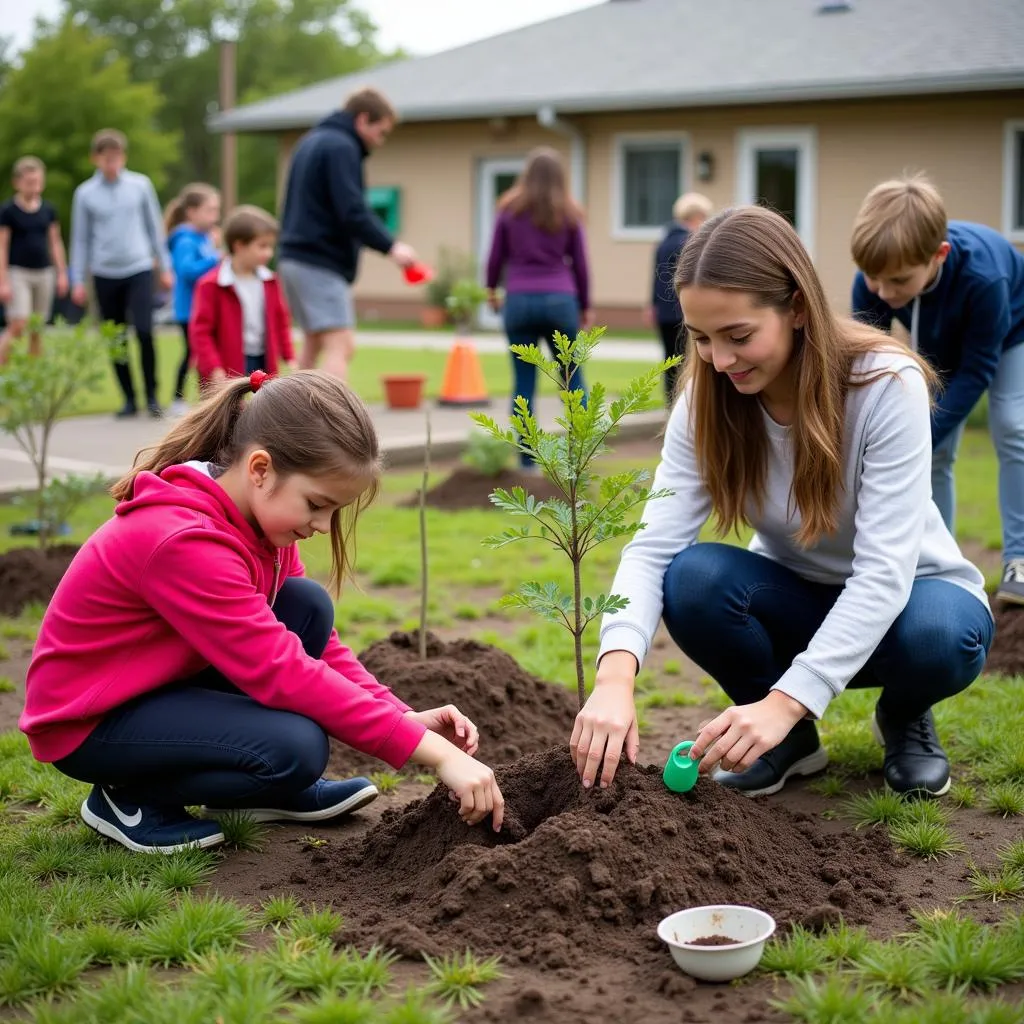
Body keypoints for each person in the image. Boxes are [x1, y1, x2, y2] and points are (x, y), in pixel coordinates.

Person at [570, 205, 993, 801]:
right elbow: (653, 548)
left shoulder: (883, 385)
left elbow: (883, 574)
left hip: (909, 603)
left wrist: (785, 702)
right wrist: (615, 675)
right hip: (795, 599)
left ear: (796, 307)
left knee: (942, 636)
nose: (719, 360)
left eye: (738, 336)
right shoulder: (708, 398)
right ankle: (790, 744)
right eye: (701, 339)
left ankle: (904, 715)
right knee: (692, 578)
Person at [21, 370, 505, 853]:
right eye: (317, 504)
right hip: (92, 720)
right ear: (260, 470)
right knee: (294, 749)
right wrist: (436, 756)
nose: (322, 525)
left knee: (306, 606)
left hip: (155, 687)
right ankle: (127, 796)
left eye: (335, 511)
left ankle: (255, 792)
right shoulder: (183, 541)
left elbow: (317, 647)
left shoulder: (253, 522)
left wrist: (400, 715)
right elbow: (282, 670)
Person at [850, 175, 1024, 606]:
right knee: (937, 454)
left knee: (1012, 425)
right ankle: (933, 562)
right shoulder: (873, 279)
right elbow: (867, 357)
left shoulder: (985, 279)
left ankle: (1019, 559)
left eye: (898, 281)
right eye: (875, 279)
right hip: (936, 334)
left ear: (938, 255)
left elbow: (977, 368)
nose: (885, 294)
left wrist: (921, 432)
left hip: (1012, 328)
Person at [277, 87, 417, 381]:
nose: (380, 141)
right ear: (363, 119)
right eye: (381, 132)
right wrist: (391, 246)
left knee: (314, 342)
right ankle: (329, 424)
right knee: (341, 344)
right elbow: (352, 210)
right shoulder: (342, 147)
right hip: (319, 260)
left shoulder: (310, 141)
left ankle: (292, 417)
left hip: (292, 258)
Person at [485, 147, 590, 467]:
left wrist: (491, 290)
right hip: (561, 301)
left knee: (523, 383)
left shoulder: (508, 210)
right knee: (573, 379)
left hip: (519, 301)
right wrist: (585, 305)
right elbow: (581, 265)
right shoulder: (569, 213)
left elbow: (494, 257)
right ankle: (579, 455)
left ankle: (527, 460)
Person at [69, 128, 173, 419]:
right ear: (96, 159)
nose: (112, 164)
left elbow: (155, 228)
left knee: (143, 330)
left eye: (116, 158)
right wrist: (77, 278)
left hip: (139, 267)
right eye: (106, 159)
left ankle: (152, 395)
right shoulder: (85, 194)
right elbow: (80, 239)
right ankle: (129, 397)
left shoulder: (140, 185)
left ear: (123, 157)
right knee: (116, 339)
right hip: (104, 272)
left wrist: (165, 267)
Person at [190, 205, 295, 386]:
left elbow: (281, 321)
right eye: (262, 246)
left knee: (265, 412)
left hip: (263, 361)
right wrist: (214, 368)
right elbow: (201, 333)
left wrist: (289, 356)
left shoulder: (270, 281)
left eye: (271, 247)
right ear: (239, 245)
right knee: (228, 413)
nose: (268, 253)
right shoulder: (211, 285)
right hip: (225, 367)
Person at [0, 156, 68, 363]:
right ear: (18, 182)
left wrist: (62, 272)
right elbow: (2, 246)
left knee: (37, 328)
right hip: (18, 272)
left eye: (38, 182)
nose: (35, 187)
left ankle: (33, 377)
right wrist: (3, 281)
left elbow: (55, 242)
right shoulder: (8, 211)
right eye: (30, 183)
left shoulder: (48, 210)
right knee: (19, 323)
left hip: (44, 272)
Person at [648, 192, 713, 404]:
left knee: (669, 360)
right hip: (683, 312)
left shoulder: (663, 242)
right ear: (695, 216)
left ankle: (670, 403)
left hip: (663, 313)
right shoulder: (691, 242)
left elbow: (655, 277)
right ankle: (685, 403)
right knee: (688, 361)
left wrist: (652, 305)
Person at [165, 183, 222, 416]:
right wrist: (217, 259)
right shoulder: (185, 240)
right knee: (191, 354)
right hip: (189, 310)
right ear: (191, 212)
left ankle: (205, 397)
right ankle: (177, 400)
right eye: (209, 210)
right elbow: (186, 270)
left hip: (203, 308)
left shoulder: (203, 238)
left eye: (216, 210)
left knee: (200, 354)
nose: (214, 217)